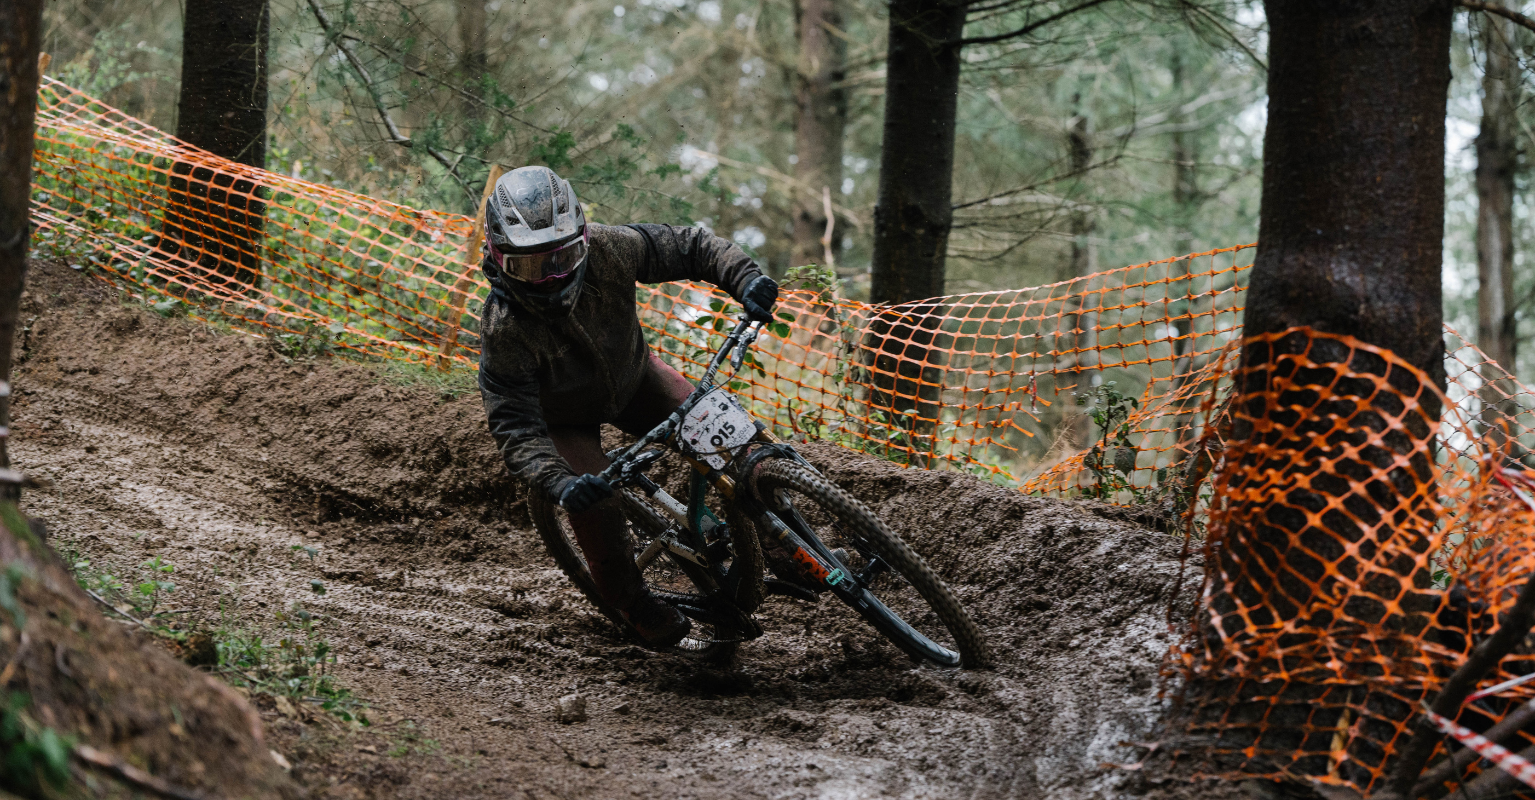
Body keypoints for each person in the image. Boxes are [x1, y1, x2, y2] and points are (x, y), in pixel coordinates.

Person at [477, 166, 779, 648]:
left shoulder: (611, 248)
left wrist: (744, 278)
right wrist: (560, 483)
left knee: (735, 434)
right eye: (532, 267)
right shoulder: (504, 329)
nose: (553, 277)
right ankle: (633, 603)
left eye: (565, 257)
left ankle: (781, 534)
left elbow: (690, 246)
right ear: (499, 258)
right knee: (600, 505)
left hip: (636, 379)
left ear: (584, 239)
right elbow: (514, 426)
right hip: (565, 422)